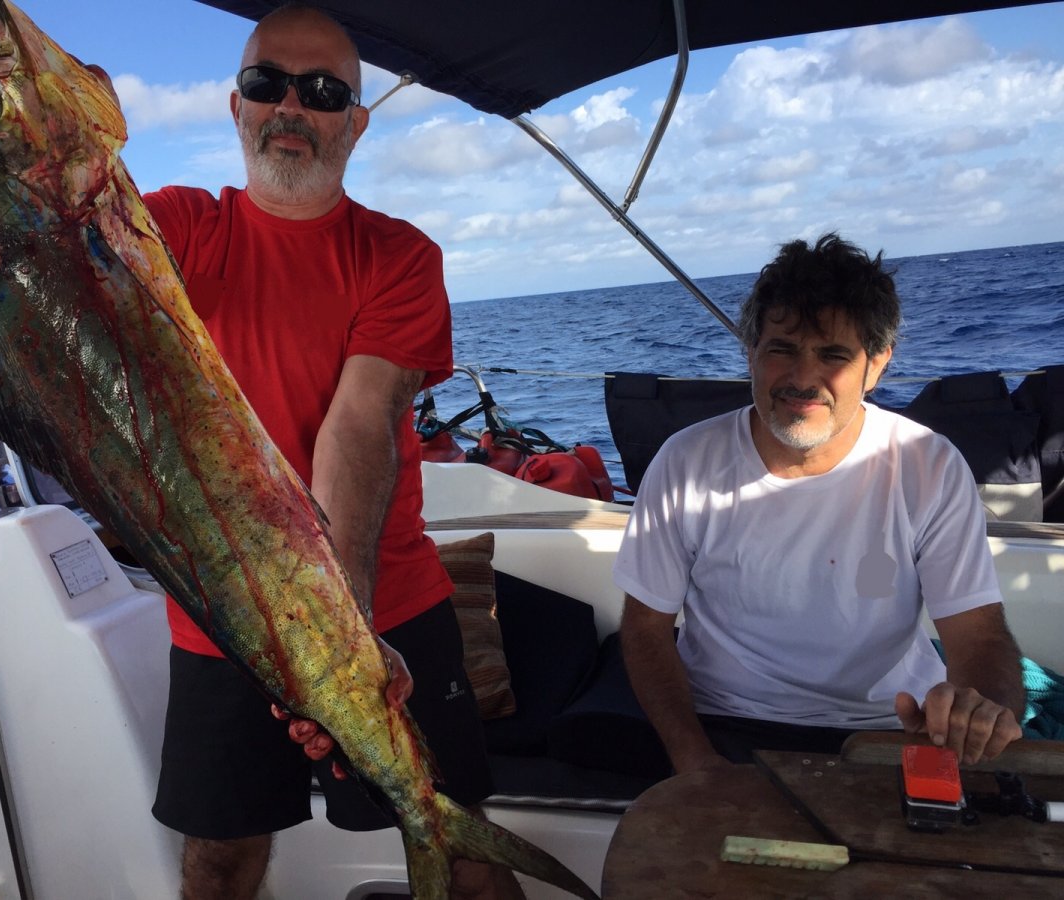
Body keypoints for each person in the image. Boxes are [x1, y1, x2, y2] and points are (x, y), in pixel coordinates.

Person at [143, 6, 523, 898]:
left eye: (322, 93)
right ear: (235, 106)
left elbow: (357, 425)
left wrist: (342, 636)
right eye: (266, 83)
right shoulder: (174, 230)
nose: (290, 107)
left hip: (385, 604)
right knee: (220, 856)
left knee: (458, 845)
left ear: (355, 121)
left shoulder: (398, 255)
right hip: (218, 619)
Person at [613, 233, 1026, 775]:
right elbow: (645, 628)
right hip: (723, 723)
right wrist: (694, 760)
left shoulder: (928, 464)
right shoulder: (684, 461)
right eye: (781, 349)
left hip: (893, 725)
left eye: (834, 355)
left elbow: (978, 633)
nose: (803, 378)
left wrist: (980, 708)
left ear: (876, 365)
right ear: (751, 353)